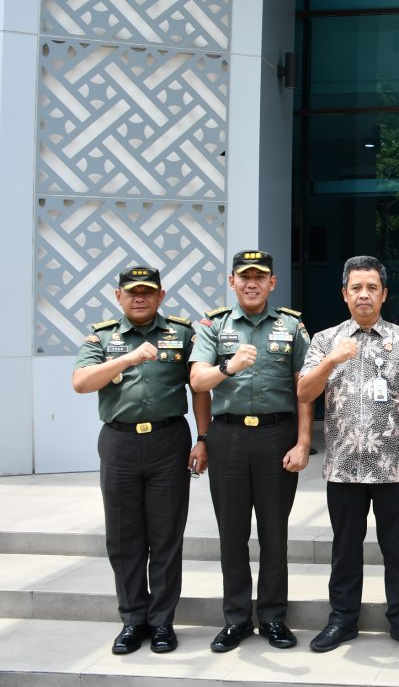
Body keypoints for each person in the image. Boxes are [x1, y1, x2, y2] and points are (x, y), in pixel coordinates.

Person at [297, 255, 399, 654]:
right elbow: (305, 392)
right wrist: (331, 361)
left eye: (372, 287)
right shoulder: (325, 340)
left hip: (393, 467)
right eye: (356, 287)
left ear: (384, 294)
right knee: (344, 548)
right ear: (344, 293)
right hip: (343, 468)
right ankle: (342, 619)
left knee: (398, 548)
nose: (364, 294)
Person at [72, 265, 211, 655]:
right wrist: (127, 359)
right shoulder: (103, 336)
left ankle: (162, 622)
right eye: (132, 291)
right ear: (118, 296)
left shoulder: (181, 333)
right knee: (123, 537)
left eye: (147, 292)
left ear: (160, 296)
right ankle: (133, 620)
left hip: (169, 441)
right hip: (119, 443)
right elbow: (81, 382)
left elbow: (199, 388)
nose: (139, 297)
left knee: (166, 537)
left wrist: (203, 438)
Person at [190, 250, 313, 652]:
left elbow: (305, 389)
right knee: (232, 533)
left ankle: (274, 617)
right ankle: (237, 619)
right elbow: (198, 383)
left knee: (274, 533)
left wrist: (303, 441)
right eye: (244, 277)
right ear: (232, 282)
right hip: (227, 437)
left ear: (272, 283)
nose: (252, 283)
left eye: (260, 276)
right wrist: (230, 368)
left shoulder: (291, 327)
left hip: (276, 438)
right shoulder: (213, 326)